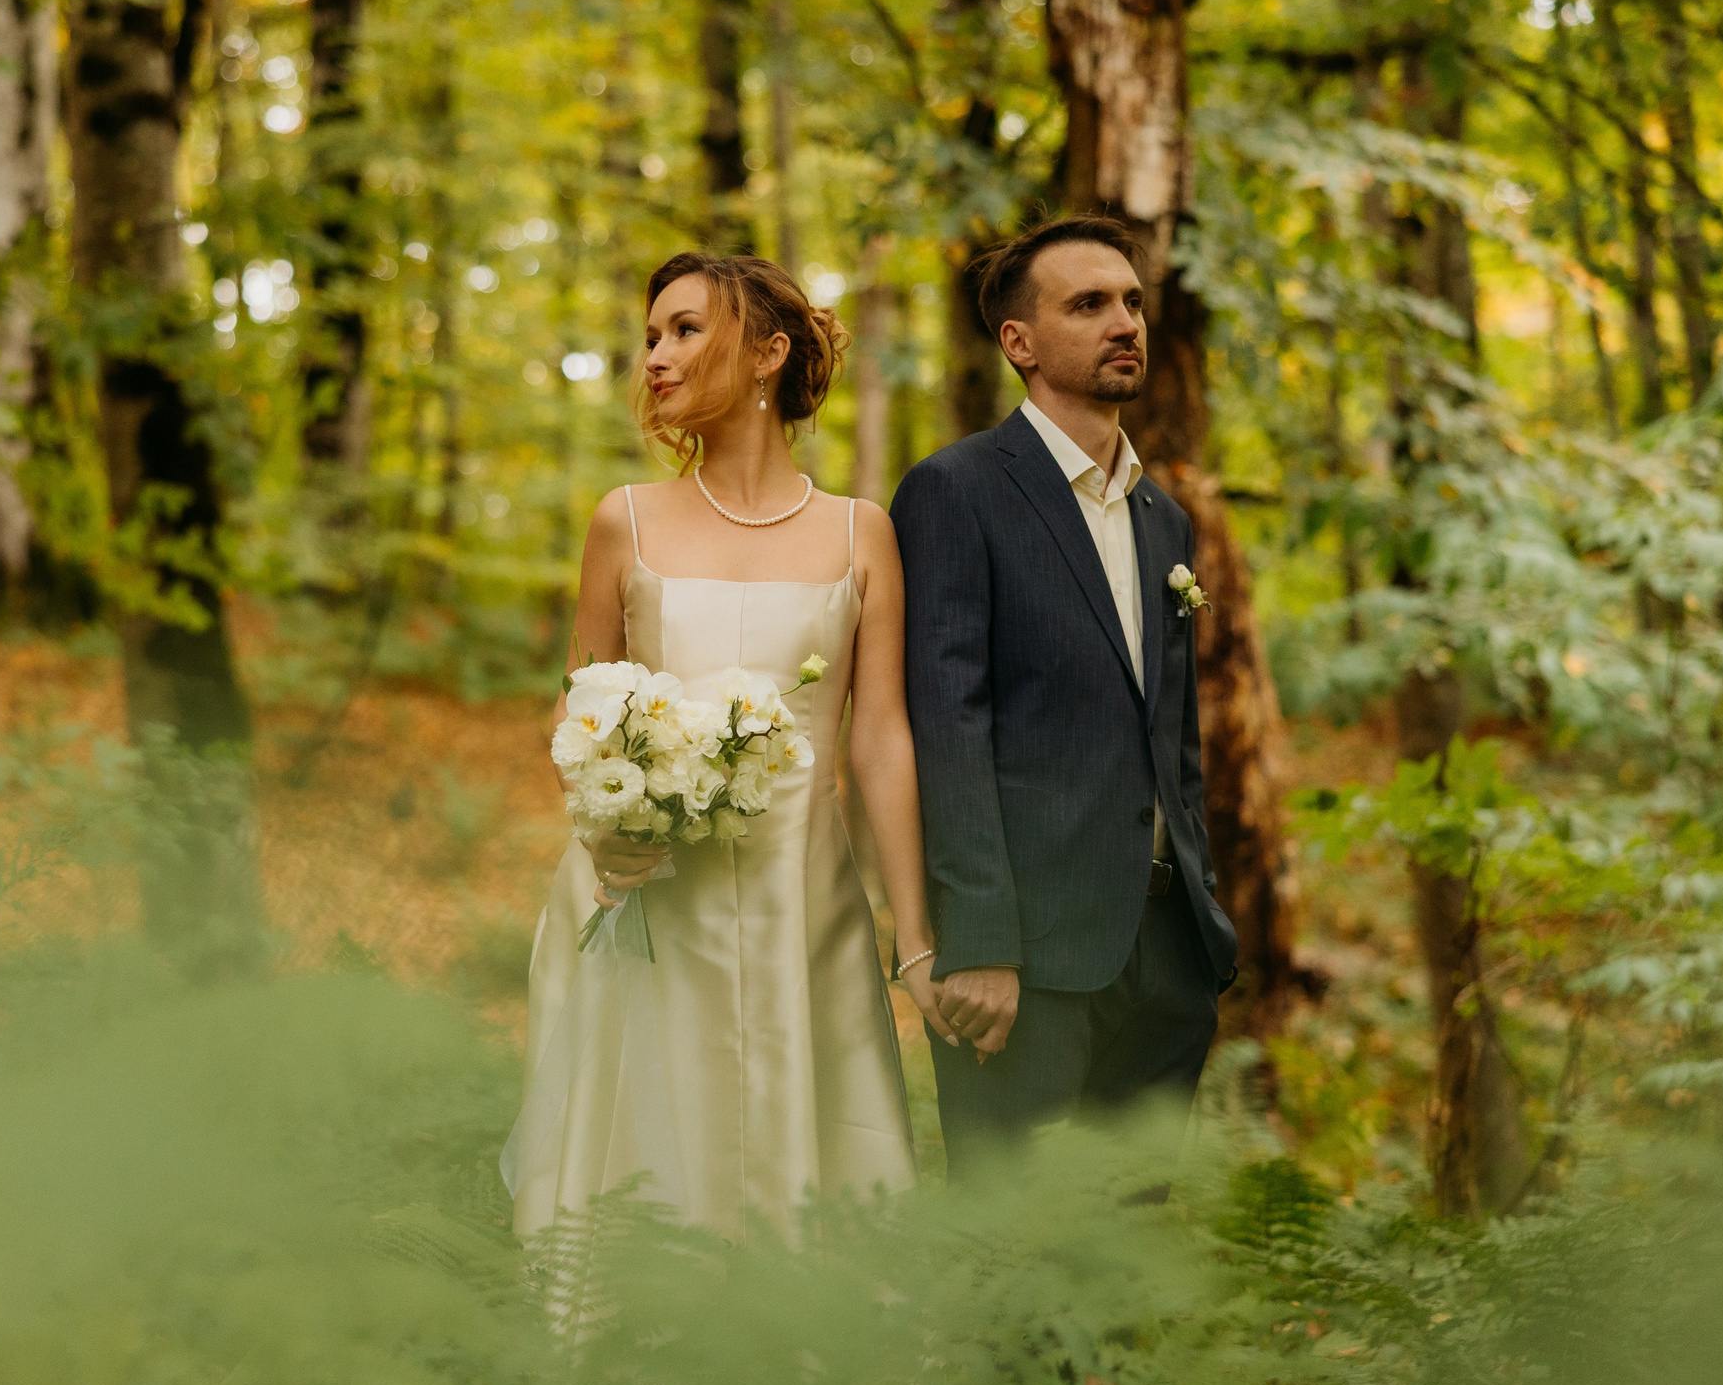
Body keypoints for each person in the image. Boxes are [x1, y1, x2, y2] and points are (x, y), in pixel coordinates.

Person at [502, 252, 944, 1243]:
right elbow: (579, 708)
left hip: (804, 901)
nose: (655, 357)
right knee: (644, 1176)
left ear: (767, 355)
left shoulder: (861, 534)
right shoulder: (622, 521)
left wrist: (914, 936)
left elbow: (879, 739)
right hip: (647, 897)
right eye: (650, 336)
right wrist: (605, 829)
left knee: (809, 1172)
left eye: (685, 330)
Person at [890, 216, 1239, 1181]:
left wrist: (1205, 932)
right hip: (1025, 968)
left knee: (1129, 1247)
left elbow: (1175, 739)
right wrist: (979, 941)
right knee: (1014, 1252)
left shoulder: (1165, 518)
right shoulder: (955, 490)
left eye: (1131, 302)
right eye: (1088, 305)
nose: (1125, 322)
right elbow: (948, 725)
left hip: (1167, 962)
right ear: (1021, 342)